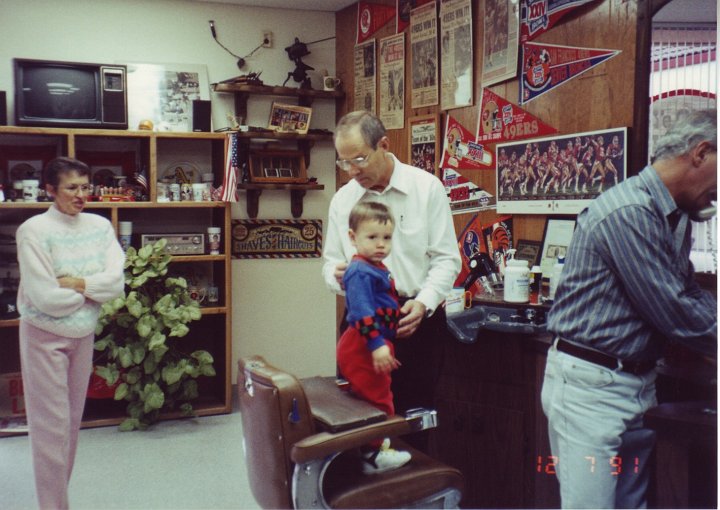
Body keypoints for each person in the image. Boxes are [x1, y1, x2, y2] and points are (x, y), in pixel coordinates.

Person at [541, 109, 717, 509]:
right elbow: (676, 308)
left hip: (638, 386)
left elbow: (686, 289)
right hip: (591, 391)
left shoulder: (674, 215)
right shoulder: (629, 212)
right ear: (702, 152)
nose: (718, 196)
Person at [323, 111, 461, 452]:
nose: (352, 171)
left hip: (413, 319)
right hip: (362, 322)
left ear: (383, 145)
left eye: (359, 159)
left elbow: (447, 259)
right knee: (358, 417)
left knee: (413, 419)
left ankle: (412, 495)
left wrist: (425, 303)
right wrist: (337, 274)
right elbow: (328, 263)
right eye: (344, 163)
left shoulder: (426, 187)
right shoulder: (343, 200)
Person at [16, 157, 125, 509]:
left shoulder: (99, 226)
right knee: (50, 429)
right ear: (50, 190)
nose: (81, 195)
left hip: (83, 335)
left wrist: (78, 283)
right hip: (43, 337)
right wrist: (92, 290)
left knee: (70, 426)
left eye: (85, 187)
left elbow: (116, 284)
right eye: (71, 188)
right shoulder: (34, 230)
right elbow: (45, 297)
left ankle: (56, 502)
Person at [337, 201, 411, 474]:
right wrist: (377, 345)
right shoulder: (359, 271)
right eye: (372, 237)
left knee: (374, 395)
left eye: (387, 237)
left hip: (374, 342)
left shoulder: (374, 266)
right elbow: (361, 312)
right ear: (353, 238)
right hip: (363, 343)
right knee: (379, 399)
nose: (381, 244)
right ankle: (374, 455)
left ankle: (371, 448)